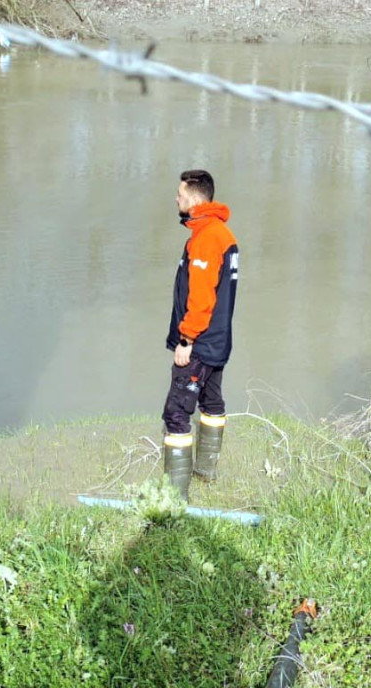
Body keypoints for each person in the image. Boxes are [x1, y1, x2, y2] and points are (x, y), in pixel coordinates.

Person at [161, 170, 240, 499]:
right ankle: (206, 472)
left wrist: (186, 340)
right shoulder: (223, 234)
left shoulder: (207, 237)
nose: (176, 199)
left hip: (200, 343)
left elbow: (202, 297)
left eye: (179, 194)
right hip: (218, 341)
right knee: (211, 403)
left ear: (194, 199)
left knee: (176, 413)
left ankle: (173, 496)